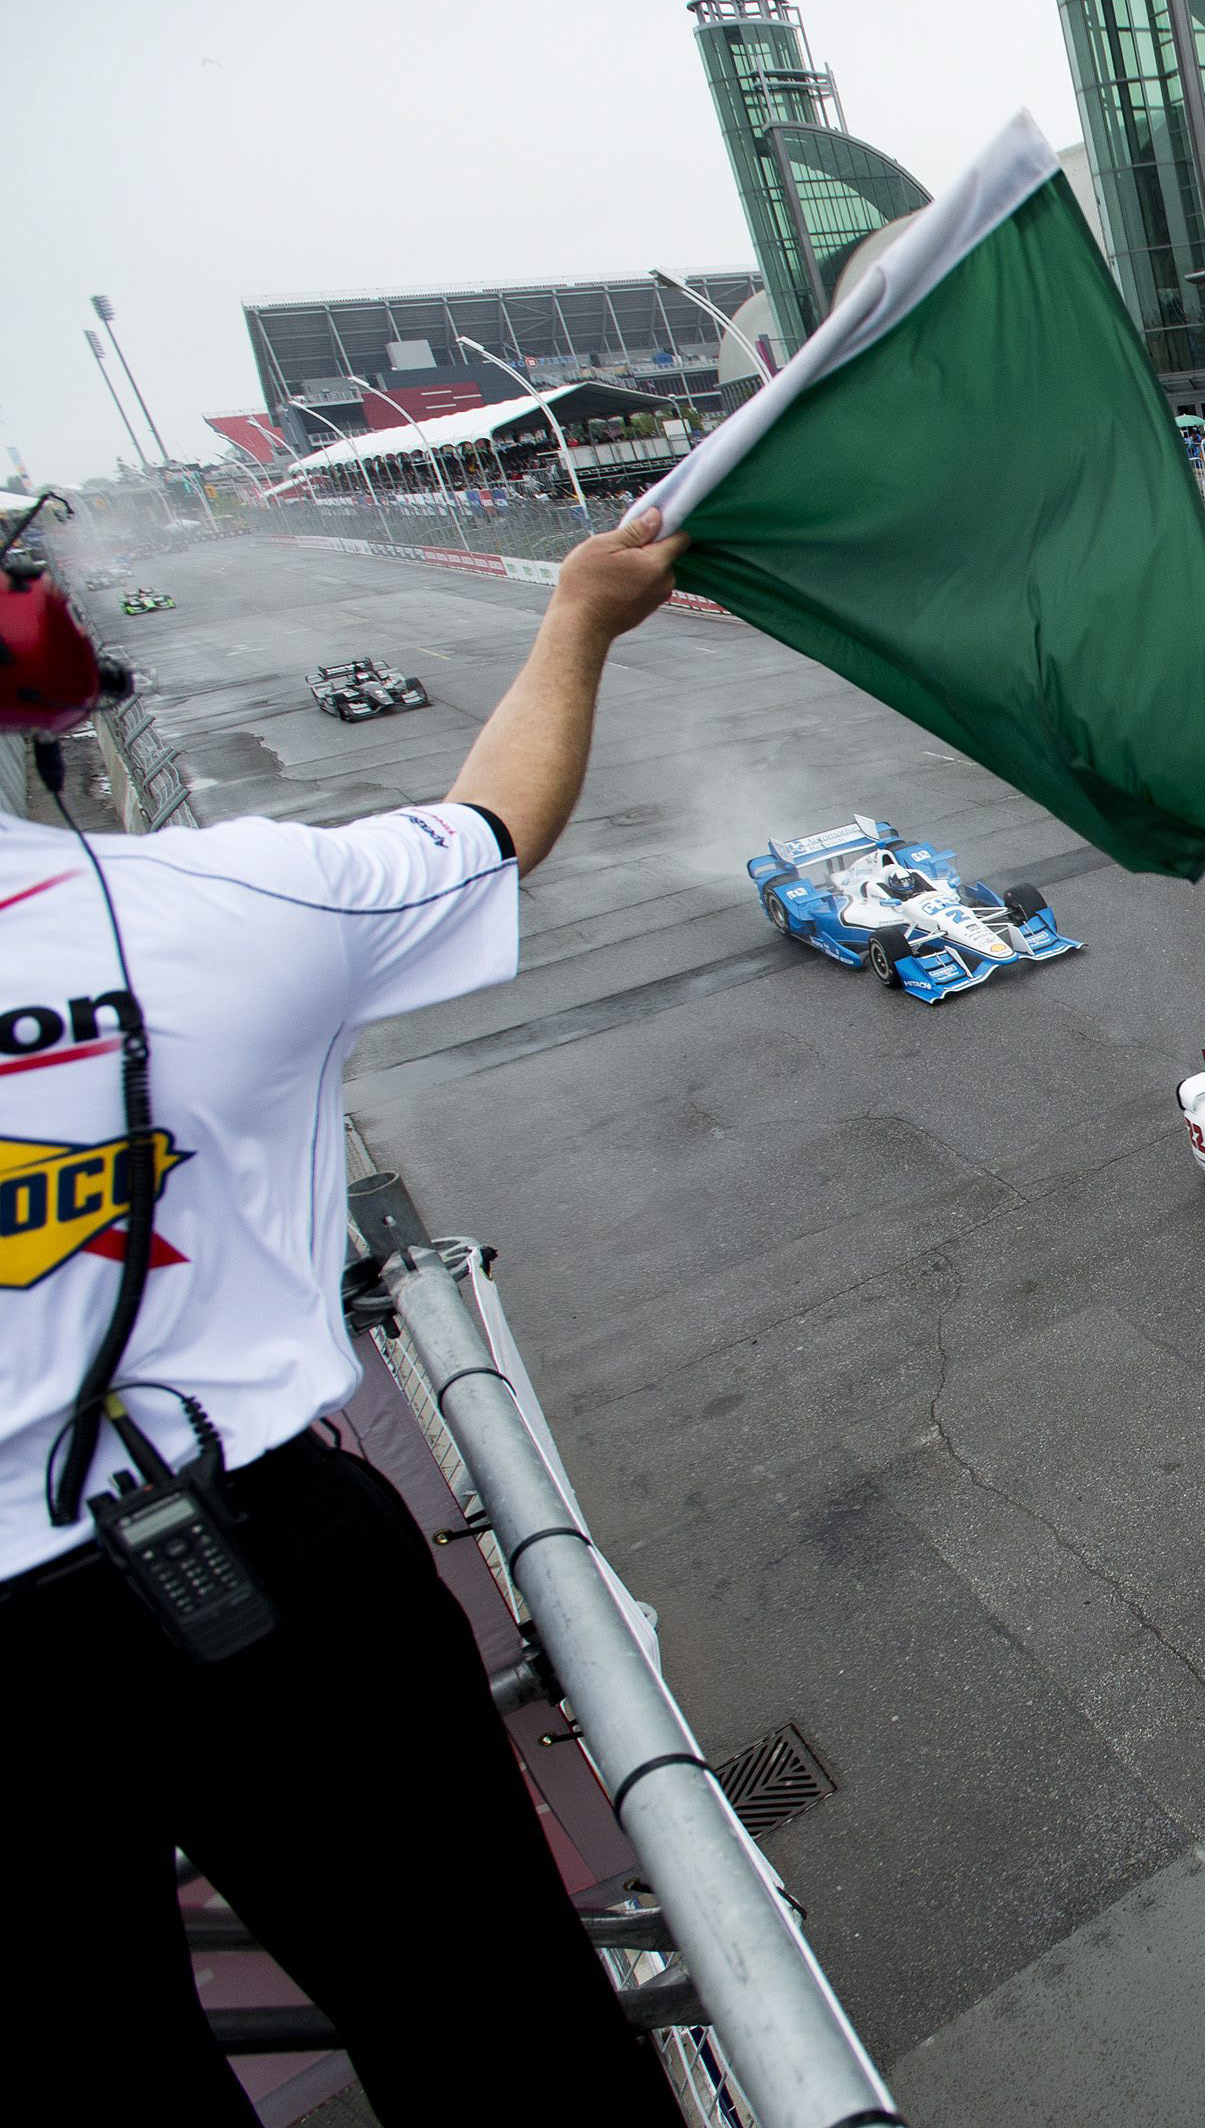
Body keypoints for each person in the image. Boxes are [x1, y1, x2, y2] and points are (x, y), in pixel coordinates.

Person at [1, 517, 693, 2127]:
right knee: (495, 2026)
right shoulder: (214, 899)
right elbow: (493, 823)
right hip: (261, 1570)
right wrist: (582, 617)